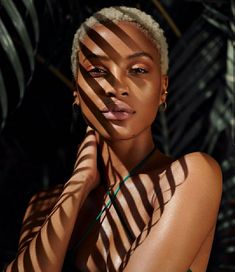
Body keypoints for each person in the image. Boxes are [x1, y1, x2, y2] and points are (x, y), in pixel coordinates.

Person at [6, 6, 222, 272]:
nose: (116, 87)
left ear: (163, 89)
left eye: (138, 70)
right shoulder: (45, 205)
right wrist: (78, 185)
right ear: (77, 89)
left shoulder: (188, 178)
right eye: (97, 70)